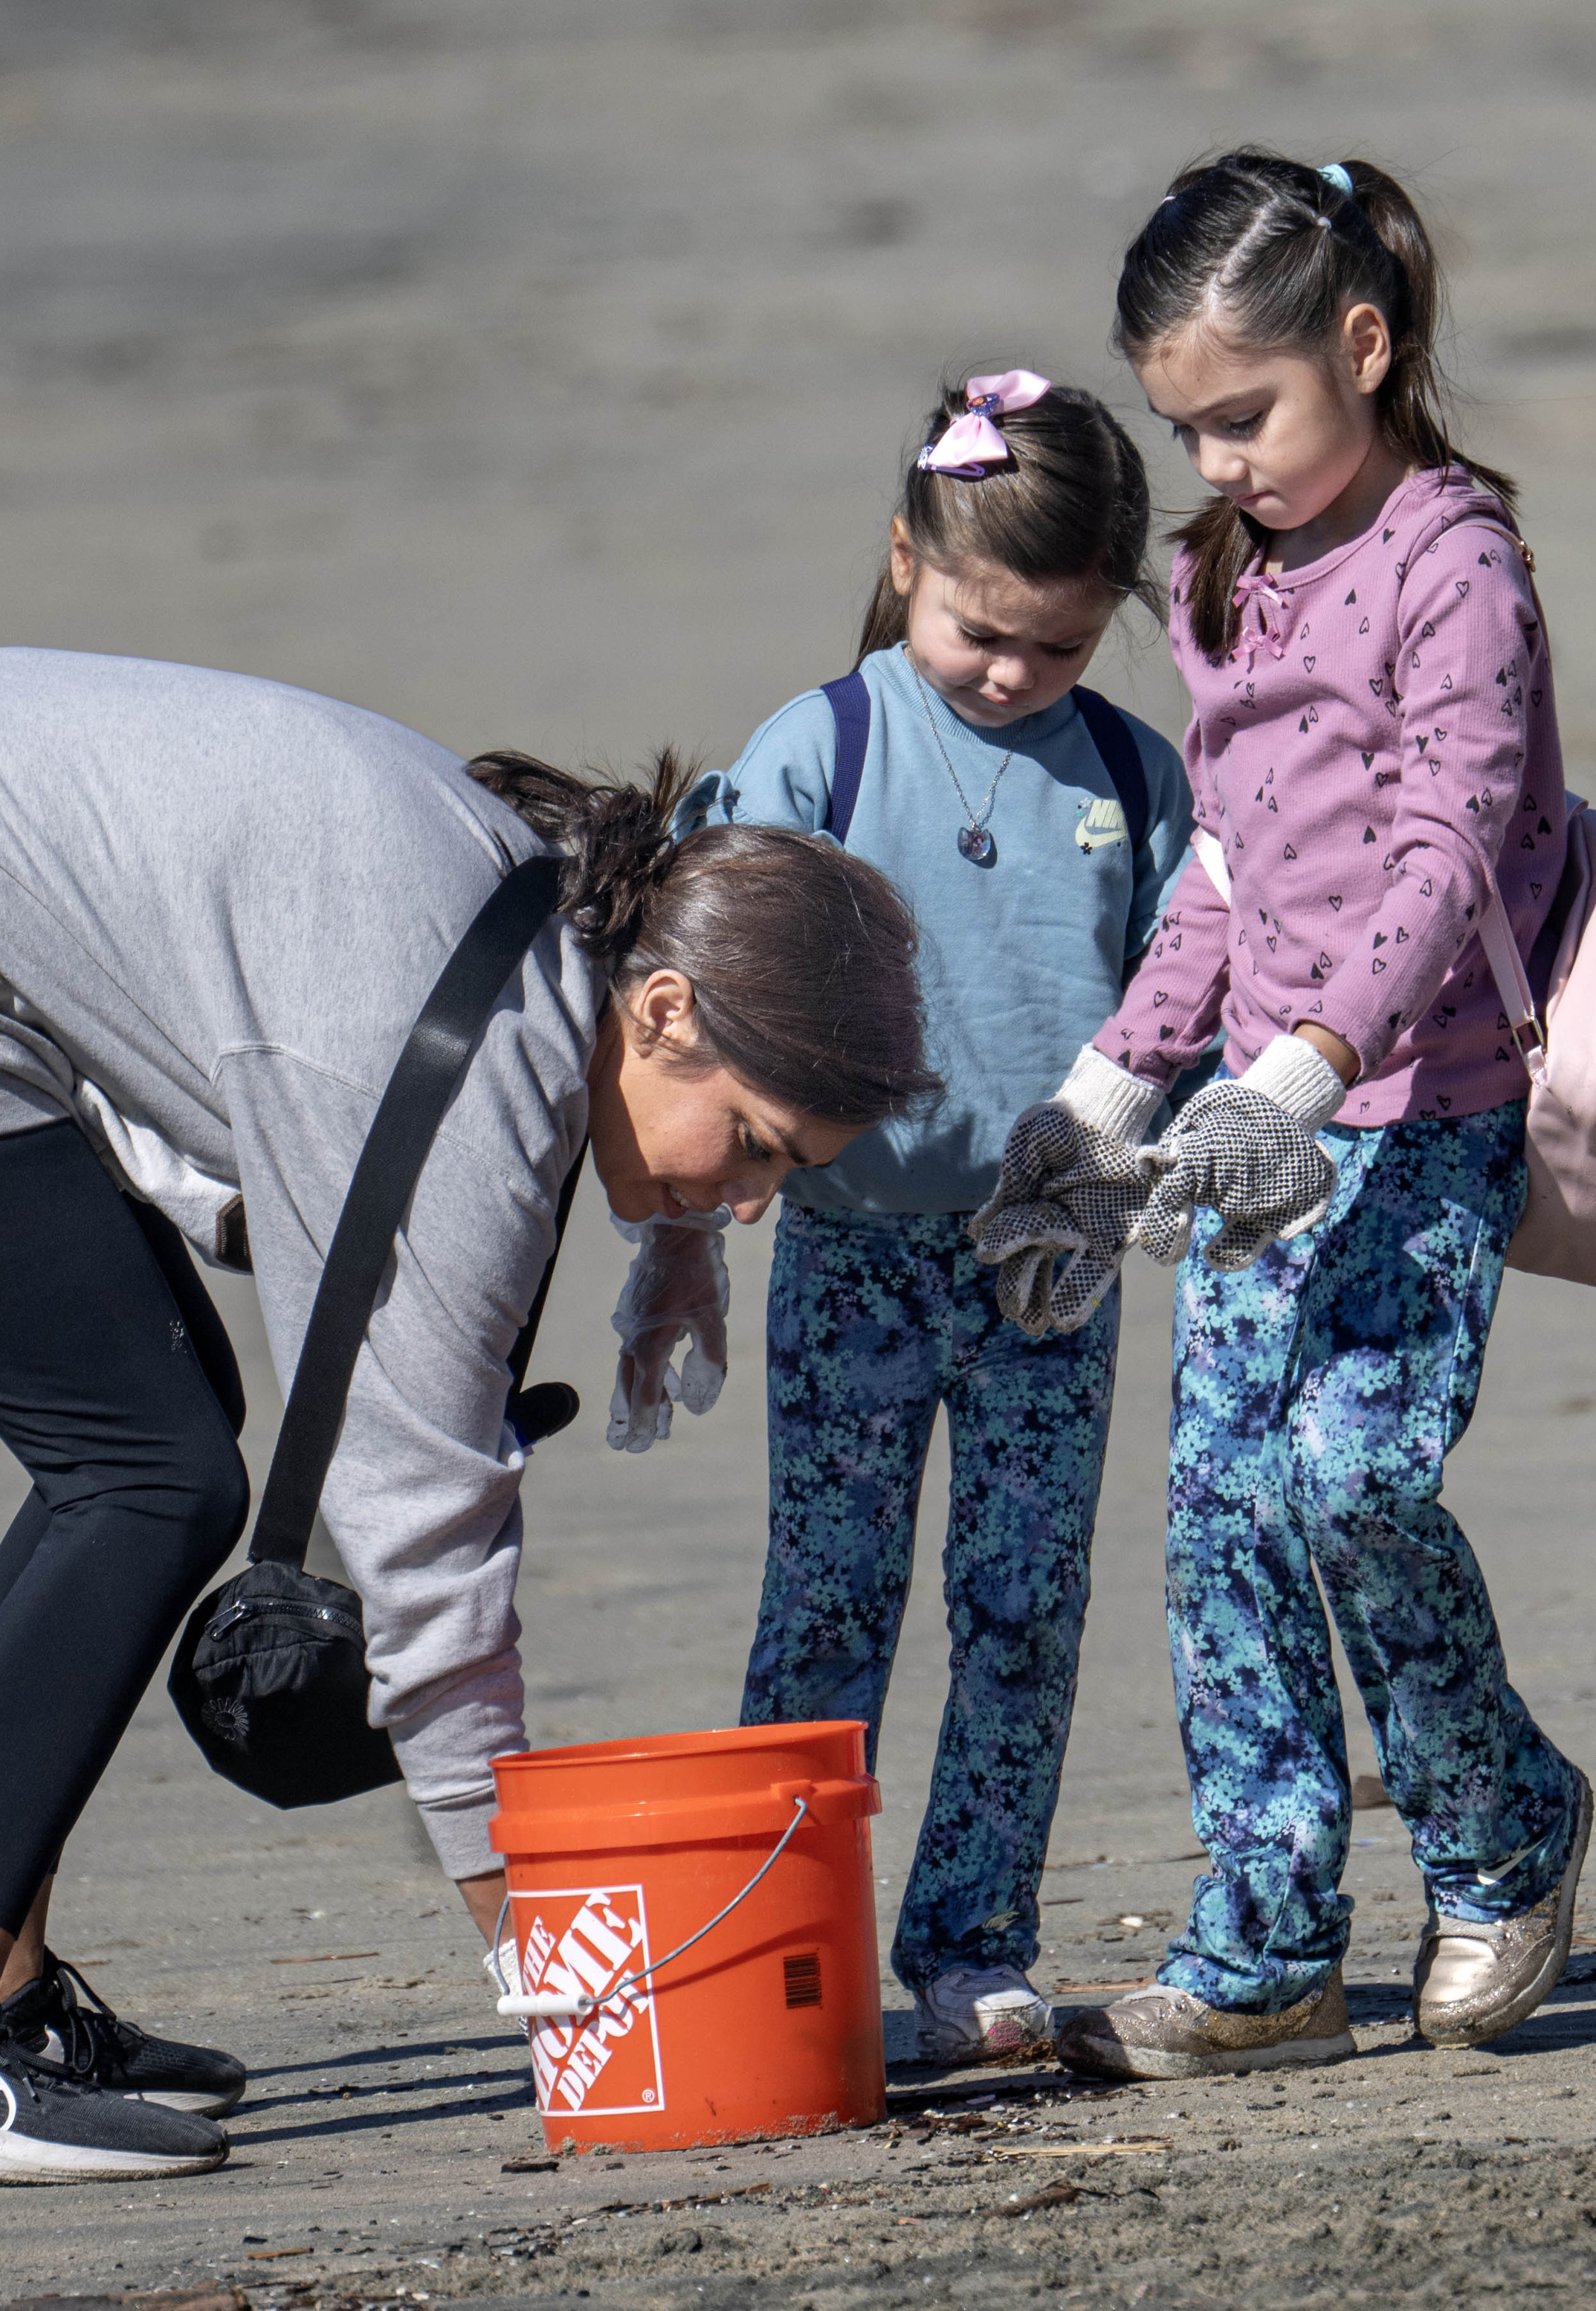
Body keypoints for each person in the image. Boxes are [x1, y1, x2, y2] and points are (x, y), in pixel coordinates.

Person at [0, 648, 937, 2185]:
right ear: (660, 1010)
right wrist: (551, 1969)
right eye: (759, 1149)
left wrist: (673, 1236)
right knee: (146, 1473)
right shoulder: (478, 1087)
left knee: (140, 1445)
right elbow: (424, 1548)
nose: (754, 1200)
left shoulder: (544, 919)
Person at [980, 152, 1593, 2082]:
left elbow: (1445, 847)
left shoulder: (1455, 564)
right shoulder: (1209, 575)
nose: (1218, 459)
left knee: (1356, 1480)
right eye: (1185, 428)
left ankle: (1504, 1830)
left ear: (1365, 341)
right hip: (1245, 1131)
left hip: (1418, 1112)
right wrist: (1104, 1095)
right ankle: (1265, 1946)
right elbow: (1230, 866)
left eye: (1245, 415)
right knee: (1225, 1509)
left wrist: (1307, 1074)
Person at [688, 373, 1195, 2062]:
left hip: (1048, 1261)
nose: (1011, 675)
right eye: (983, 631)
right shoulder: (815, 748)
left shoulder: (1133, 773)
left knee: (1020, 1601)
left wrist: (1167, 1168)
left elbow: (1187, 995)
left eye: (1055, 649)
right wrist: (678, 1236)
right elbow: (701, 992)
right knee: (822, 1601)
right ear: (904, 558)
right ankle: (781, 1938)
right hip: (848, 1254)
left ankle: (973, 1937)